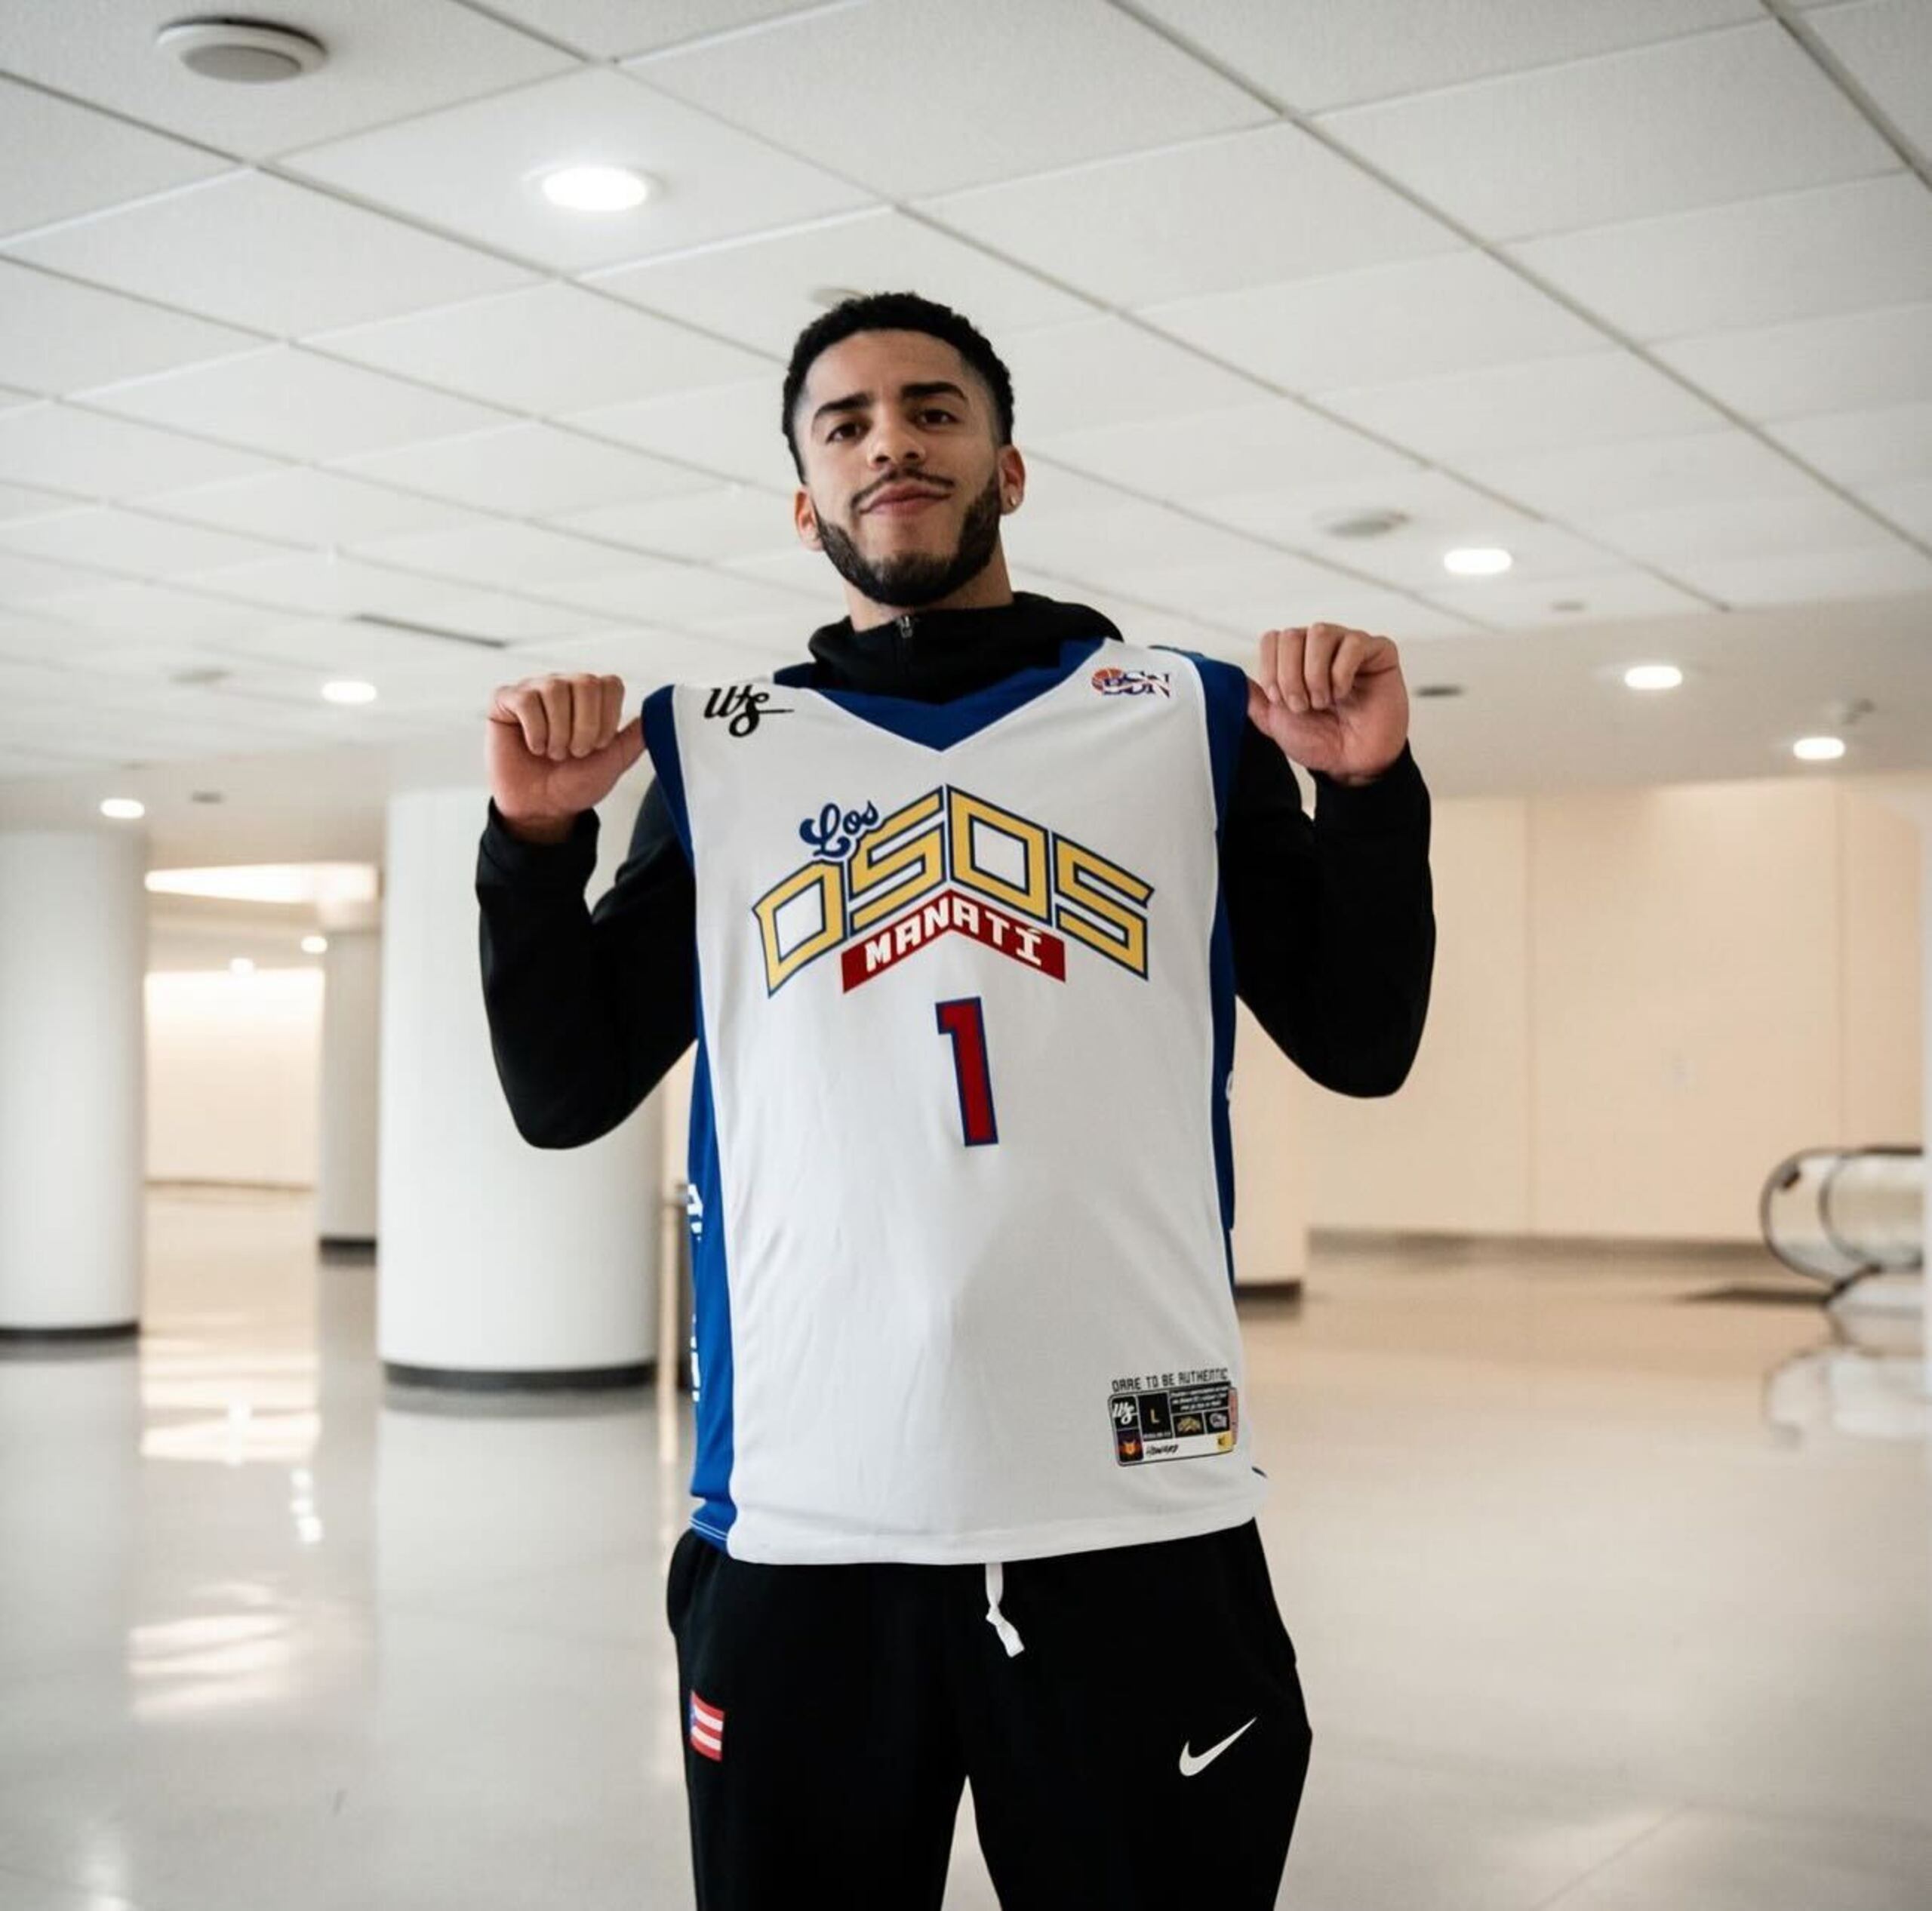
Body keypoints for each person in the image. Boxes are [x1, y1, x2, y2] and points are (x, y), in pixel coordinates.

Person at [476, 291, 1434, 1907]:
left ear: (1006, 464)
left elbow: (1358, 1038)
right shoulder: (717, 757)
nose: (888, 444)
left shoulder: (1185, 723)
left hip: (1141, 1515)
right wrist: (533, 851)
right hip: (799, 1533)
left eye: (930, 411)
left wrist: (1361, 797)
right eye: (842, 425)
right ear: (803, 499)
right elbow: (564, 1095)